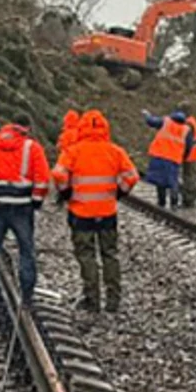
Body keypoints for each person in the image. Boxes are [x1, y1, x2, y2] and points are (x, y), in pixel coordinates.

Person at [52, 110, 138, 312]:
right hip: (107, 212)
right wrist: (119, 193)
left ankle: (92, 299)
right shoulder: (115, 151)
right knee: (110, 254)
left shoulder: (73, 151)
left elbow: (58, 173)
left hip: (81, 213)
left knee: (86, 255)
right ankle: (113, 300)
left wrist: (66, 192)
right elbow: (132, 176)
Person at [0, 117, 49, 307]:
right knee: (26, 250)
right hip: (22, 207)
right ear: (26, 129)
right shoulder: (32, 148)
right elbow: (43, 178)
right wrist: (36, 201)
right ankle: (27, 295)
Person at [142, 109, 196, 209]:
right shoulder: (186, 129)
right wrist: (183, 157)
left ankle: (161, 202)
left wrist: (146, 115)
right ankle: (174, 202)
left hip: (159, 156)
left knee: (160, 180)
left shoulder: (165, 121)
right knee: (173, 181)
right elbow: (189, 146)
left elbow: (151, 121)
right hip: (174, 159)